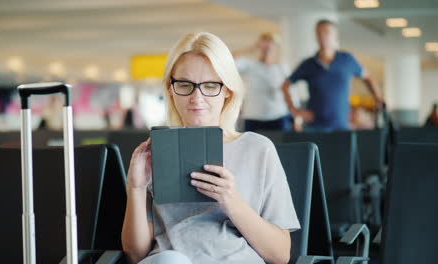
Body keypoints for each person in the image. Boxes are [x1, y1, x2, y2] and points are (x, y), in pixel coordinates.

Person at [121, 32, 300, 264]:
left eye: (210, 85)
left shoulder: (258, 149)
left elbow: (280, 255)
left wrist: (231, 201)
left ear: (227, 90)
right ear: (171, 88)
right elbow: (135, 254)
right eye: (185, 85)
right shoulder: (155, 152)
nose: (197, 97)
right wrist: (136, 187)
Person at [281, 19, 384, 131]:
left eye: (326, 32)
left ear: (335, 36)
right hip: (314, 127)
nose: (322, 36)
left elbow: (368, 78)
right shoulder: (308, 64)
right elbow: (285, 85)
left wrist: (378, 97)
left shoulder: (347, 60)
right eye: (319, 33)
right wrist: (294, 110)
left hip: (341, 126)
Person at [233, 32, 298, 132]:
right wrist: (252, 48)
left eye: (270, 43)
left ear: (276, 47)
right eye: (265, 43)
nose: (268, 46)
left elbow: (292, 93)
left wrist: (296, 118)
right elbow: (229, 59)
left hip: (278, 117)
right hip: (253, 117)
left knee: (280, 147)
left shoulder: (282, 68)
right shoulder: (250, 65)